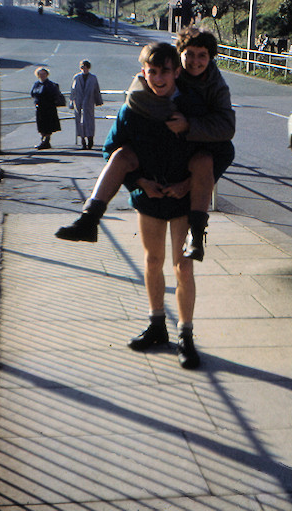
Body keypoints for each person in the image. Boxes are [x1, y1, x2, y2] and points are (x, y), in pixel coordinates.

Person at [55, 28, 235, 261]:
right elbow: (112, 144)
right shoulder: (140, 95)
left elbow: (226, 134)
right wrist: (139, 181)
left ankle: (197, 234)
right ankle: (89, 218)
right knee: (121, 155)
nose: (195, 61)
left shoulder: (213, 87)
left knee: (204, 160)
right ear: (178, 58)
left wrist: (189, 126)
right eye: (189, 54)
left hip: (188, 158)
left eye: (202, 55)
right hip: (151, 169)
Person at [104, 42, 204, 369]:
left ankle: (186, 335)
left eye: (164, 71)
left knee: (183, 265)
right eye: (152, 71)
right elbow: (112, 150)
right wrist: (139, 183)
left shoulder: (192, 106)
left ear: (177, 72)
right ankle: (157, 324)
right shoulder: (133, 106)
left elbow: (212, 155)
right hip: (148, 196)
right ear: (143, 71)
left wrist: (187, 184)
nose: (158, 78)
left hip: (183, 197)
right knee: (152, 260)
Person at [70, 60, 103, 149]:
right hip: (78, 102)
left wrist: (98, 101)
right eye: (83, 68)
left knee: (89, 122)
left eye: (86, 68)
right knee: (79, 122)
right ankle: (83, 141)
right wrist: (71, 102)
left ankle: (90, 139)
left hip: (89, 102)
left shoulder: (93, 78)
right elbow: (73, 91)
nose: (84, 69)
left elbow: (96, 90)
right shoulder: (77, 77)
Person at [30, 67, 61, 149]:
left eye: (44, 74)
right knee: (41, 126)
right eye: (40, 74)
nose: (42, 75)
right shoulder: (36, 84)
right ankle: (44, 141)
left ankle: (46, 141)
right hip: (39, 108)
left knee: (48, 126)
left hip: (48, 108)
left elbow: (53, 95)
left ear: (47, 74)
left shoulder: (50, 84)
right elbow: (32, 93)